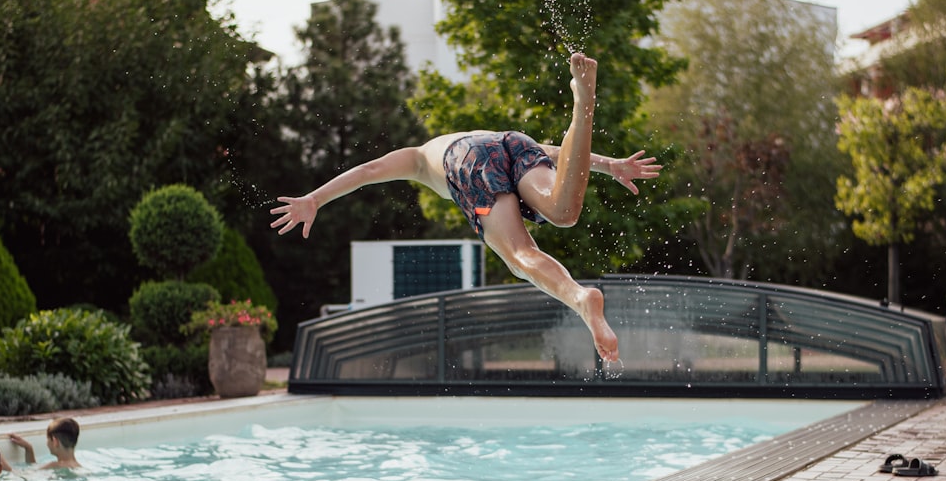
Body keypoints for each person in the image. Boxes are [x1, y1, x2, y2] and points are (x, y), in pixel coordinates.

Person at [270, 53, 661, 362]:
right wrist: (611, 166)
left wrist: (315, 198)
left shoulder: (421, 157)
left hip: (470, 160)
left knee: (520, 255)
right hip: (512, 140)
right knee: (562, 210)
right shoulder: (467, 137)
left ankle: (578, 297)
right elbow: (551, 152)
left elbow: (370, 170)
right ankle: (582, 104)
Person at [8, 417, 82, 470]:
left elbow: (28, 475)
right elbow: (34, 468)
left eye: (48, 439)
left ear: (55, 441)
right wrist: (28, 448)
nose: (47, 443)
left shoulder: (54, 466)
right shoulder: (80, 468)